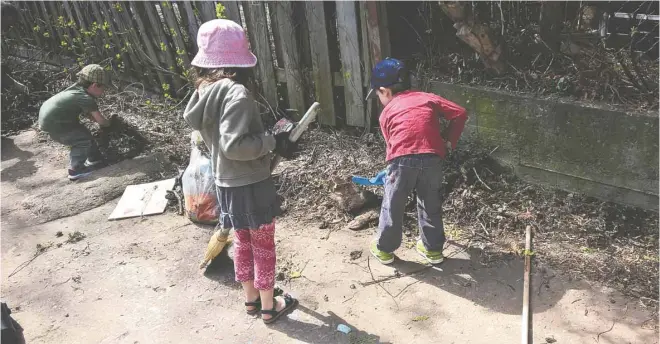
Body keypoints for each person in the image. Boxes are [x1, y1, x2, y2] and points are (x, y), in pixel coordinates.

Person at [183, 19, 298, 324]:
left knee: (242, 244)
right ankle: (270, 306)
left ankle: (251, 301)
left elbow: (221, 142)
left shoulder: (203, 91)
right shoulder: (237, 93)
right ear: (241, 60)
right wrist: (273, 140)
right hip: (250, 184)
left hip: (226, 183)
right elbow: (235, 145)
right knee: (263, 247)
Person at [366, 57, 468, 265]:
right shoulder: (427, 98)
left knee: (393, 204)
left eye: (378, 95)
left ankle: (384, 249)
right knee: (430, 202)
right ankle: (433, 250)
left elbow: (392, 145)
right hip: (433, 158)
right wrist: (448, 140)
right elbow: (460, 113)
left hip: (401, 161)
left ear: (385, 91)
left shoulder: (387, 112)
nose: (380, 100)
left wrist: (392, 172)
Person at [38, 64, 112, 181]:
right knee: (82, 141)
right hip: (55, 123)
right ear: (94, 85)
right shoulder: (85, 98)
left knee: (83, 133)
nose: (103, 91)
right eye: (103, 88)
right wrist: (110, 125)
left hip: (53, 119)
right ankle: (75, 170)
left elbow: (89, 115)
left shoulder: (76, 90)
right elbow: (101, 121)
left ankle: (95, 159)